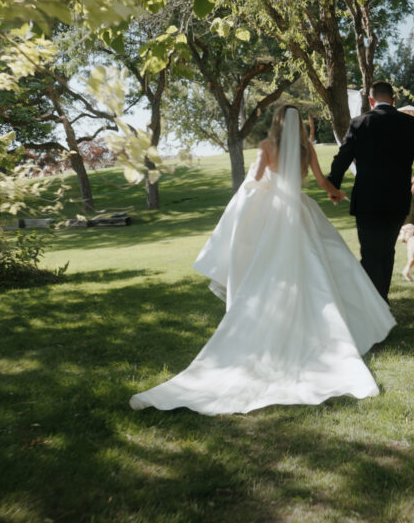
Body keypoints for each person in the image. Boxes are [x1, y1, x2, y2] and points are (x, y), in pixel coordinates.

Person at [130, 106, 396, 415]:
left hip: (274, 213)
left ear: (277, 122)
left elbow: (255, 178)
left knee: (269, 271)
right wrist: (335, 194)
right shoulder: (306, 148)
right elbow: (322, 181)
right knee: (321, 267)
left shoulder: (267, 147)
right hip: (302, 213)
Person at [327, 81, 414, 302]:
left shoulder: (359, 123)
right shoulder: (410, 123)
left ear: (370, 100)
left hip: (366, 200)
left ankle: (374, 305)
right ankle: (381, 301)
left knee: (369, 253)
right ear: (393, 100)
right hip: (397, 200)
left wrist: (333, 184)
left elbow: (343, 158)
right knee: (387, 252)